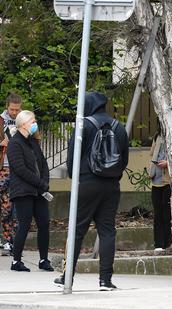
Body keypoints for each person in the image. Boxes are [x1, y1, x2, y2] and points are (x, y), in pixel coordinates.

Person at [54, 92, 129, 291]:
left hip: (87, 184)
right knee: (107, 231)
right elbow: (124, 160)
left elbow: (71, 159)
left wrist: (77, 177)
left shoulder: (83, 125)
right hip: (111, 186)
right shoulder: (118, 127)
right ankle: (105, 280)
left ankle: (66, 275)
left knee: (77, 230)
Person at [6, 110, 53, 272]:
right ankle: (16, 261)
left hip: (38, 190)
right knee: (24, 224)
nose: (35, 123)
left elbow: (43, 164)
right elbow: (20, 169)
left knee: (44, 223)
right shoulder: (14, 143)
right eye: (32, 121)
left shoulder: (33, 142)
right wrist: (40, 183)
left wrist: (44, 182)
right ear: (23, 124)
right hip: (23, 191)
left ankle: (43, 259)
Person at [0, 93, 23, 256]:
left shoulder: (25, 119)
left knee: (18, 207)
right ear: (6, 106)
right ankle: (8, 240)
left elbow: (35, 139)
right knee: (6, 206)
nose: (14, 112)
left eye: (17, 109)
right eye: (12, 109)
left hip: (20, 168)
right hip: (4, 167)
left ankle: (17, 241)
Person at [148, 124, 172, 250]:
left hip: (170, 181)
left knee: (168, 214)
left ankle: (168, 243)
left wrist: (168, 163)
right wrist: (151, 170)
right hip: (156, 181)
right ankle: (158, 244)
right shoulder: (157, 135)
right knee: (158, 214)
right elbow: (152, 154)